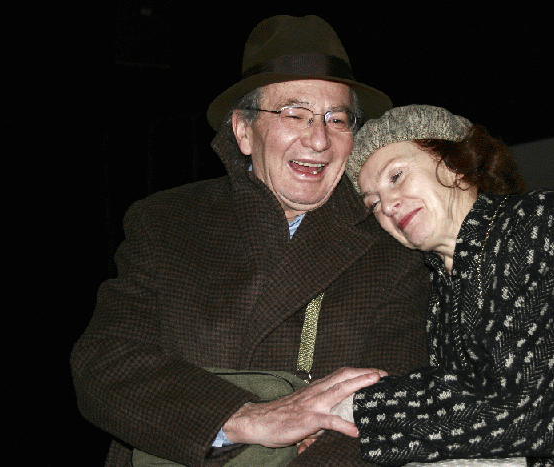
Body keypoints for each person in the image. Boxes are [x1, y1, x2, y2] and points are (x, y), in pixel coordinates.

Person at [70, 16, 429, 467]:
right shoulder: (165, 222)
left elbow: (389, 406)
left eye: (337, 119)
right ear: (242, 131)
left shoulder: (392, 245)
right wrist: (244, 419)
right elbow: (105, 364)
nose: (319, 139)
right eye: (294, 114)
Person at [337, 105, 554, 466]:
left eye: (396, 176)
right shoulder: (438, 290)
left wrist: (352, 408)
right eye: (373, 203)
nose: (388, 206)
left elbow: (527, 408)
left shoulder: (540, 222)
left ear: (455, 163)